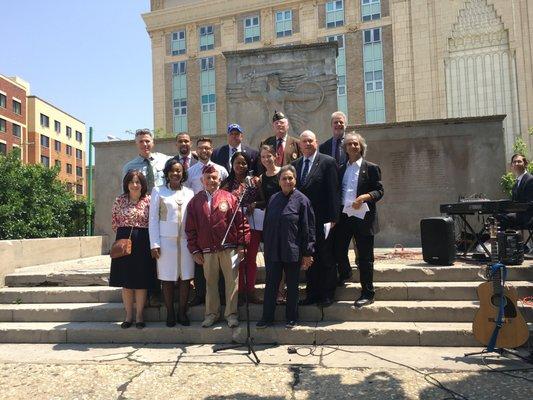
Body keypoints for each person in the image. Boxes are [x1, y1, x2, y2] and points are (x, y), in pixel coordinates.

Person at [185, 165, 250, 328]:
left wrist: (242, 244)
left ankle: (231, 315)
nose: (211, 181)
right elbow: (190, 229)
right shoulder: (194, 202)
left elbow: (241, 222)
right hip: (207, 250)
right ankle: (211, 314)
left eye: (214, 177)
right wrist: (194, 249)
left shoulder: (230, 198)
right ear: (202, 180)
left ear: (220, 180)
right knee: (210, 283)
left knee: (231, 282)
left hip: (229, 248)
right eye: (208, 178)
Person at [256, 165, 315, 329]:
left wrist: (307, 252)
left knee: (293, 285)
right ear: (279, 181)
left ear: (295, 180)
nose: (287, 181)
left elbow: (308, 228)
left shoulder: (302, 200)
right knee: (271, 285)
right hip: (273, 250)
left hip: (293, 250)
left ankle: (292, 317)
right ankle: (267, 318)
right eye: (284, 178)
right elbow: (267, 224)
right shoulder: (274, 198)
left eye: (290, 178)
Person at [335, 132, 384, 308]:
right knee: (338, 250)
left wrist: (364, 196)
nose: (353, 146)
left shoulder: (371, 167)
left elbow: (379, 191)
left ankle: (368, 293)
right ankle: (346, 272)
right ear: (345, 148)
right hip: (344, 217)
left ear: (361, 147)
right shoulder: (341, 169)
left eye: (356, 144)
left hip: (363, 218)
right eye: (349, 144)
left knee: (365, 257)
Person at [292, 130, 340, 307]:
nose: (307, 144)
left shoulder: (328, 162)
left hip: (324, 219)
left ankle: (327, 294)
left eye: (310, 141)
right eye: (303, 141)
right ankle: (312, 293)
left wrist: (334, 217)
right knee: (308, 256)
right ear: (300, 144)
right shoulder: (295, 165)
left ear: (316, 142)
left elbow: (334, 191)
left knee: (325, 256)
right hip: (303, 221)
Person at [149, 159, 195, 327]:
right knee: (167, 279)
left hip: (186, 242)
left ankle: (182, 312)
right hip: (165, 242)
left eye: (179, 171)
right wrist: (154, 244)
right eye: (173, 170)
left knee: (185, 278)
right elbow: (153, 219)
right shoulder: (158, 191)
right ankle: (170, 312)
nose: (176, 173)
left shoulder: (190, 192)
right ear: (167, 173)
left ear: (183, 173)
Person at [184, 137, 228, 306]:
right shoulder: (191, 172)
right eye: (201, 147)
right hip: (198, 217)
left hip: (217, 218)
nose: (204, 150)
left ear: (211, 150)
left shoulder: (221, 170)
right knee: (200, 259)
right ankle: (200, 294)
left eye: (207, 148)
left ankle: (222, 297)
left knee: (218, 258)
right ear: (196, 150)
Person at [110, 170, 157, 329]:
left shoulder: (149, 201)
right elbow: (114, 222)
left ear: (143, 185)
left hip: (143, 242)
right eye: (131, 182)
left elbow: (154, 222)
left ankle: (139, 316)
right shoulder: (119, 200)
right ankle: (128, 316)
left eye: (138, 182)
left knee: (141, 281)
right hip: (124, 243)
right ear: (127, 184)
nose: (135, 185)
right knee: (126, 281)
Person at [220, 151, 263, 304]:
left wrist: (255, 204)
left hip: (252, 225)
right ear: (232, 164)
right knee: (236, 260)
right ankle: (237, 292)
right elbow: (221, 206)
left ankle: (250, 291)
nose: (241, 166)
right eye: (237, 162)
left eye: (244, 163)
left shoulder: (254, 181)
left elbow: (264, 200)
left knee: (250, 259)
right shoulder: (226, 184)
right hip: (233, 227)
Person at [319, 111, 350, 284]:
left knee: (344, 240)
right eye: (335, 123)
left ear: (346, 124)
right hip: (331, 199)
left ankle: (345, 271)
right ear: (331, 125)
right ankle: (334, 273)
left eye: (341, 122)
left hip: (348, 199)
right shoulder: (324, 147)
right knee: (331, 240)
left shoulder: (352, 144)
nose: (338, 125)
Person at [498, 154, 533, 230]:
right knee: (495, 216)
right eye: (514, 162)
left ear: (525, 164)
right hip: (519, 214)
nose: (516, 164)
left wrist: (515, 209)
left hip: (528, 216)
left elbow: (530, 203)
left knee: (501, 218)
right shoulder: (516, 183)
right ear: (512, 166)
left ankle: (497, 240)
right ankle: (489, 238)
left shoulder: (530, 180)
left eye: (519, 161)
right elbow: (514, 202)